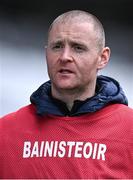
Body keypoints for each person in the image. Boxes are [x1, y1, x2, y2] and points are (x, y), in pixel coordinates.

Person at [0, 10, 133, 179]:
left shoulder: (129, 131)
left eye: (78, 48)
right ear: (46, 53)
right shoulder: (5, 132)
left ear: (103, 57)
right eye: (57, 46)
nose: (64, 57)